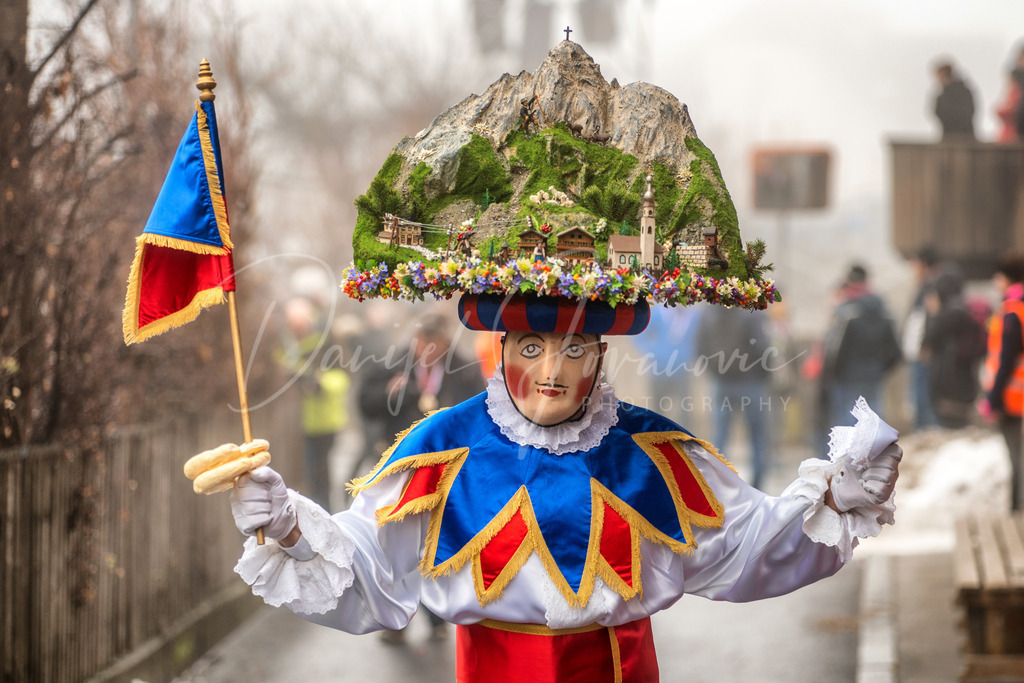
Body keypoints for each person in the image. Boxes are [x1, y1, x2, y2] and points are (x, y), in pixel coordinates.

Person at [219, 292, 902, 682]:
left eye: (574, 349)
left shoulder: (651, 452)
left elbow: (747, 541)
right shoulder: (441, 449)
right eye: (531, 346)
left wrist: (839, 497)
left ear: (601, 357)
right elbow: (369, 565)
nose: (551, 370)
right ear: (501, 350)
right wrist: (289, 526)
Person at [355, 309, 485, 642]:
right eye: (422, 342)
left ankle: (437, 617)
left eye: (435, 343)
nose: (427, 350)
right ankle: (396, 621)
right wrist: (393, 395)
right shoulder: (393, 363)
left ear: (444, 343)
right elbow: (364, 403)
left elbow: (482, 412)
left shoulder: (466, 369)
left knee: (435, 542)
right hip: (402, 467)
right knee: (396, 545)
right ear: (415, 340)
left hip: (447, 471)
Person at [274, 297, 349, 510]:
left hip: (326, 418)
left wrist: (318, 381)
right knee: (308, 472)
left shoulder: (327, 339)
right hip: (300, 420)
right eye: (294, 327)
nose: (298, 331)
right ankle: (314, 510)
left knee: (321, 470)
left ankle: (326, 511)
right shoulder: (286, 344)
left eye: (301, 327)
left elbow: (343, 377)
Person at [695, 305, 773, 490]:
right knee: (758, 436)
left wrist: (714, 372)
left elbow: (699, 347)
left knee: (720, 434)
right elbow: (763, 347)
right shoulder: (752, 313)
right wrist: (765, 374)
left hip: (721, 382)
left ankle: (717, 486)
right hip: (751, 381)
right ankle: (758, 487)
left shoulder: (708, 313)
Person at [822, 265, 902, 430]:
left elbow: (834, 349)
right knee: (874, 425)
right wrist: (880, 368)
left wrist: (831, 373)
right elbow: (896, 350)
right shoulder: (884, 310)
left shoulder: (846, 311)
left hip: (847, 378)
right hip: (874, 375)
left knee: (848, 426)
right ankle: (875, 456)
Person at [979, 255, 1024, 510]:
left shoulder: (1011, 312)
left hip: (1012, 397)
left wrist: (992, 398)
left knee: (1016, 457)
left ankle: (1017, 509)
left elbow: (1005, 360)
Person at [920, 268, 987, 429]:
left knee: (952, 427)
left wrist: (933, 314)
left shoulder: (950, 312)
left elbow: (930, 338)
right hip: (966, 378)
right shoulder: (965, 308)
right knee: (960, 425)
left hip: (949, 381)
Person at [902, 247, 941, 430]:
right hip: (919, 351)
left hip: (925, 353)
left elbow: (931, 319)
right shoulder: (925, 286)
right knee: (920, 397)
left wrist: (926, 345)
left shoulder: (933, 286)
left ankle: (926, 431)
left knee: (924, 398)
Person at [933, 60, 977, 140]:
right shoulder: (942, 96)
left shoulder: (962, 93)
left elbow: (966, 113)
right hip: (951, 136)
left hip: (963, 136)